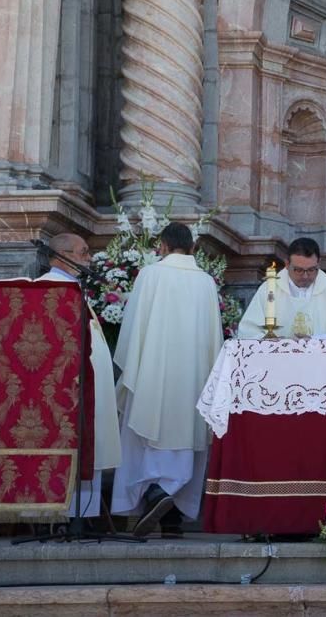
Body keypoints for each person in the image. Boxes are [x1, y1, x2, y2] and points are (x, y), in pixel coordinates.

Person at [110, 222, 223, 537]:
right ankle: (172, 517)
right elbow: (214, 338)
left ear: (162, 245)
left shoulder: (150, 275)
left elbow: (133, 328)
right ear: (192, 247)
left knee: (144, 434)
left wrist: (133, 364)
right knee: (186, 439)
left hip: (151, 372)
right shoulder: (205, 283)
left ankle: (153, 493)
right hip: (193, 377)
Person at [36, 234, 121, 518]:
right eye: (83, 253)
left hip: (85, 389)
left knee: (88, 449)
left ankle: (80, 516)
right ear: (63, 255)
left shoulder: (73, 288)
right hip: (66, 391)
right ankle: (61, 517)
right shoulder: (49, 289)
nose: (89, 259)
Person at [238, 237, 326, 339]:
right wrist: (271, 344)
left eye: (311, 270)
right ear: (287, 264)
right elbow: (248, 331)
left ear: (318, 263)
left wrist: (315, 341)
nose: (305, 276)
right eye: (299, 270)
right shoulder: (269, 289)